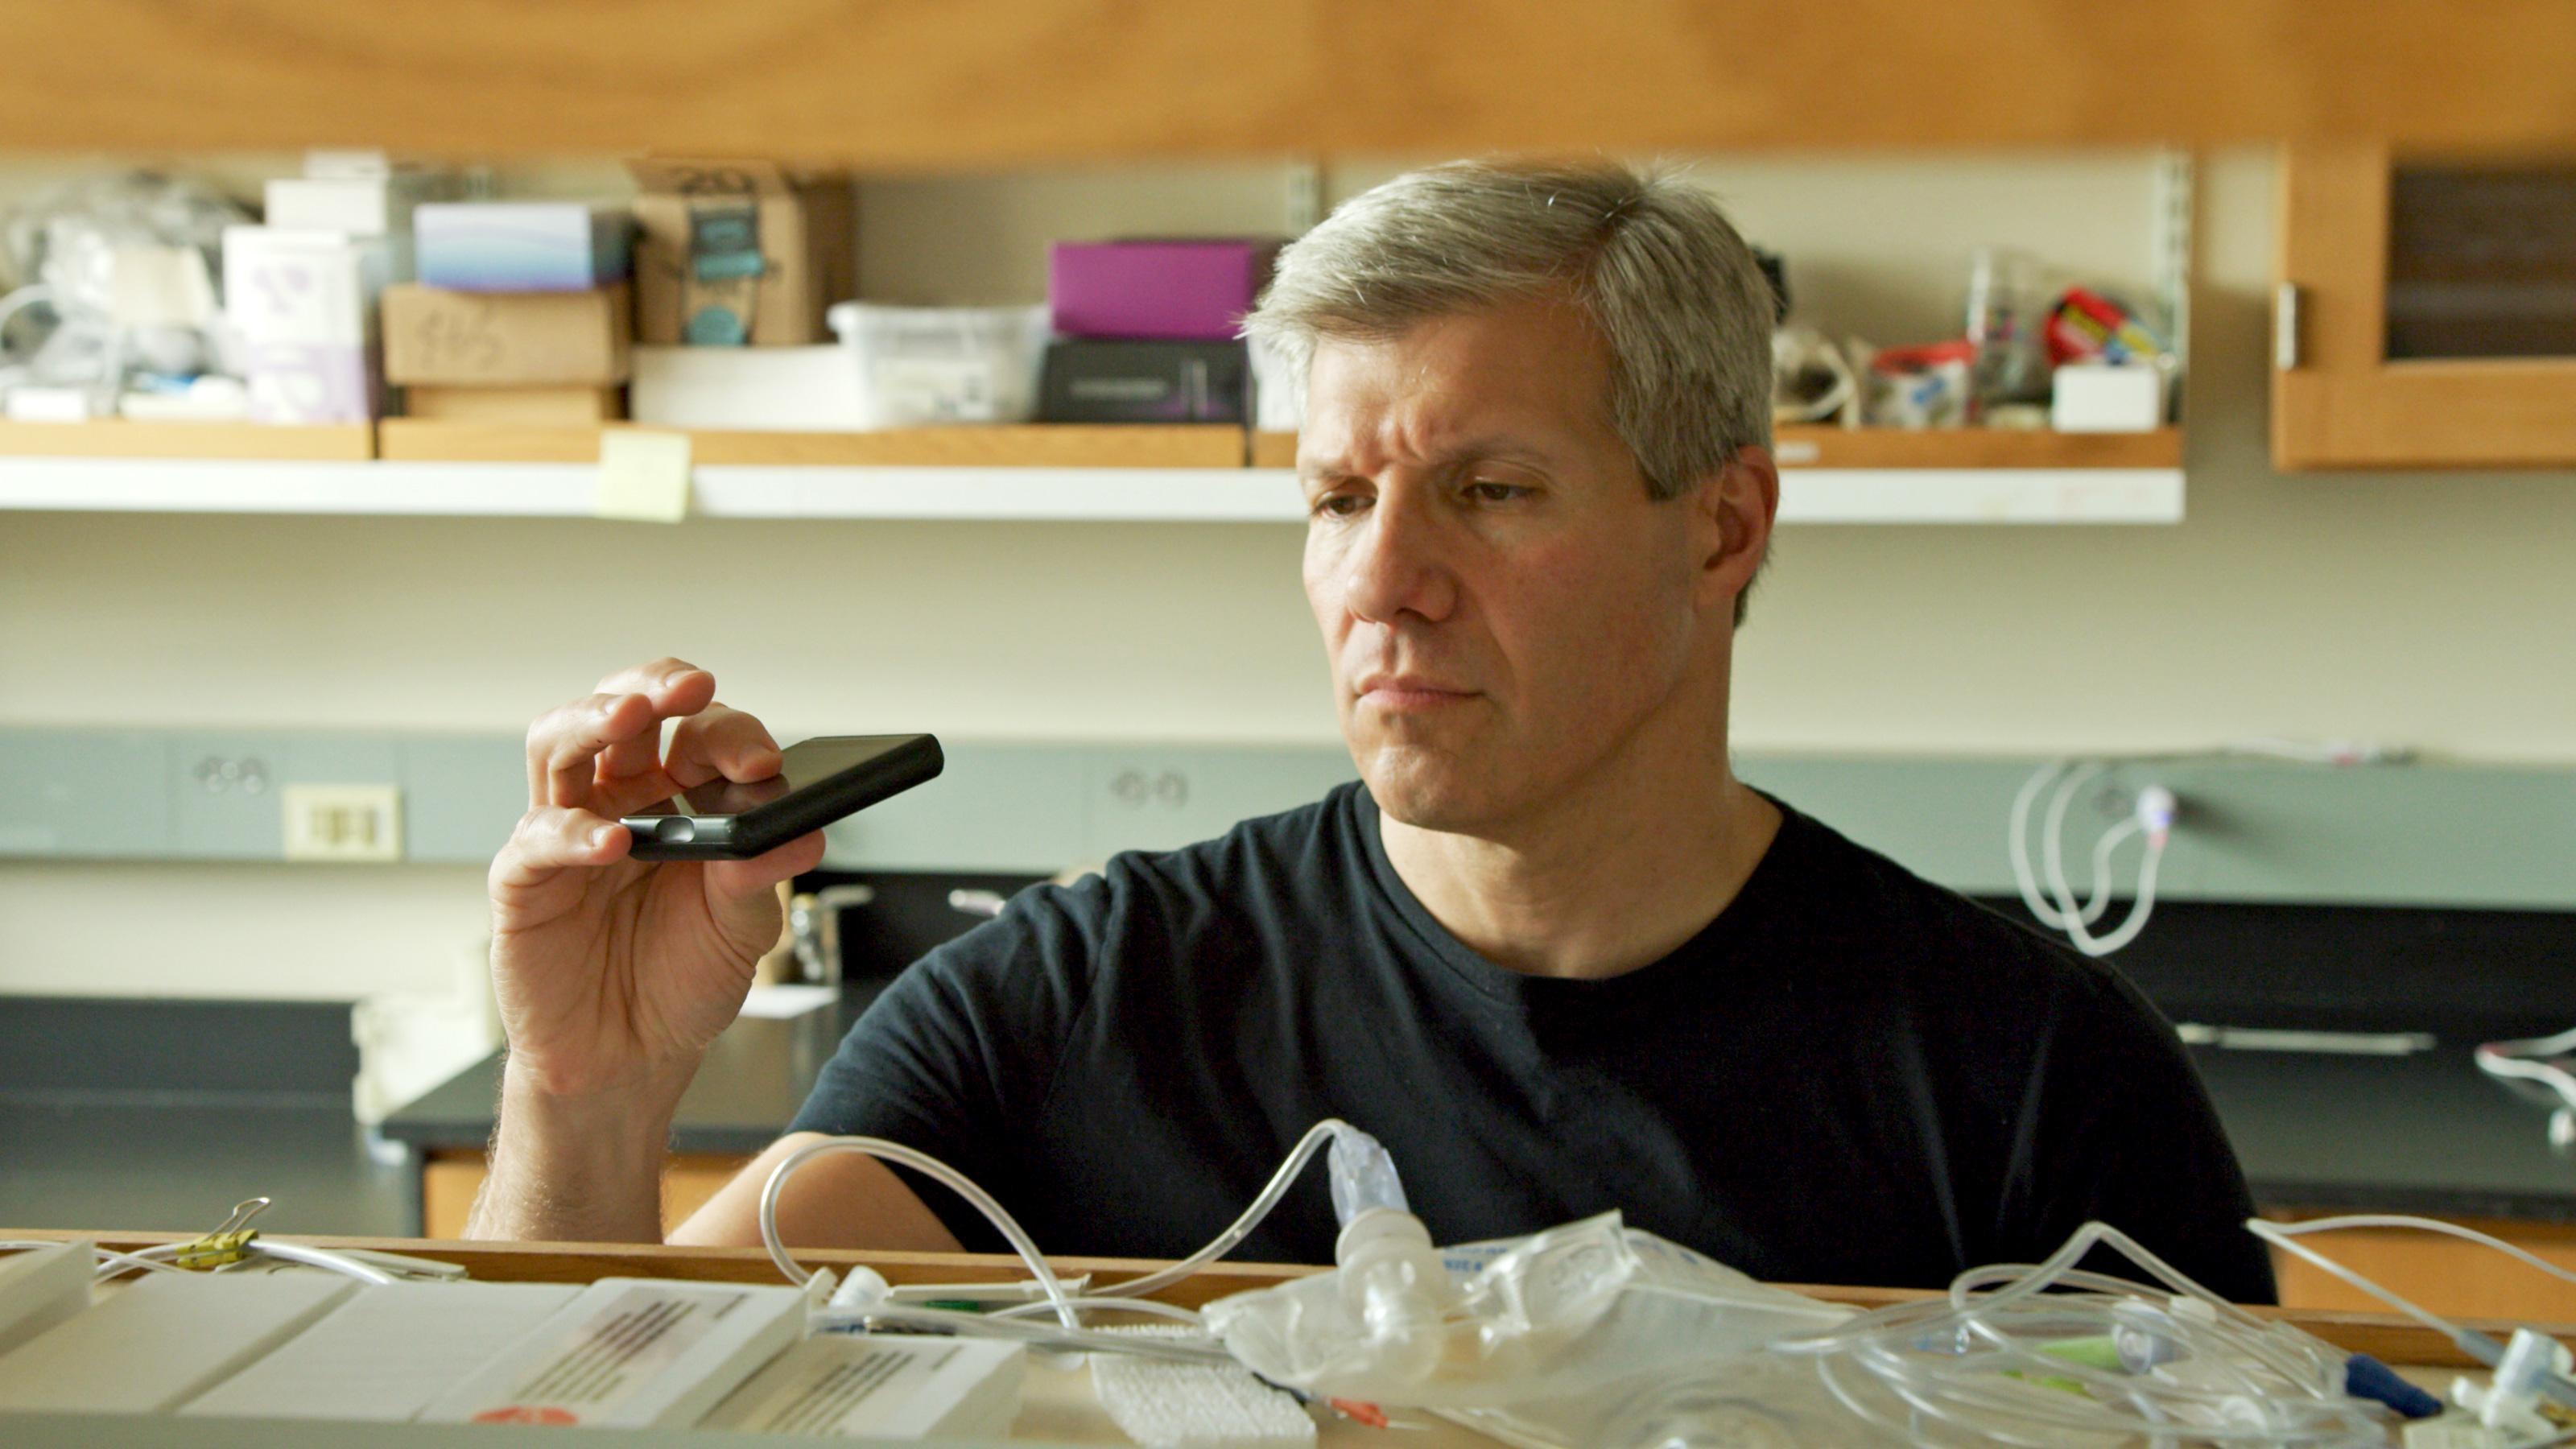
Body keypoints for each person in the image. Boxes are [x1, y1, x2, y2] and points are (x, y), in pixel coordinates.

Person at [471, 159, 2275, 1302]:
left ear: (1720, 527)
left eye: (1491, 491)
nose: (1382, 583)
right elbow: (594, 1409)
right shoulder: (1081, 999)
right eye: (1338, 498)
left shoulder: (2027, 1084)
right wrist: (587, 1094)